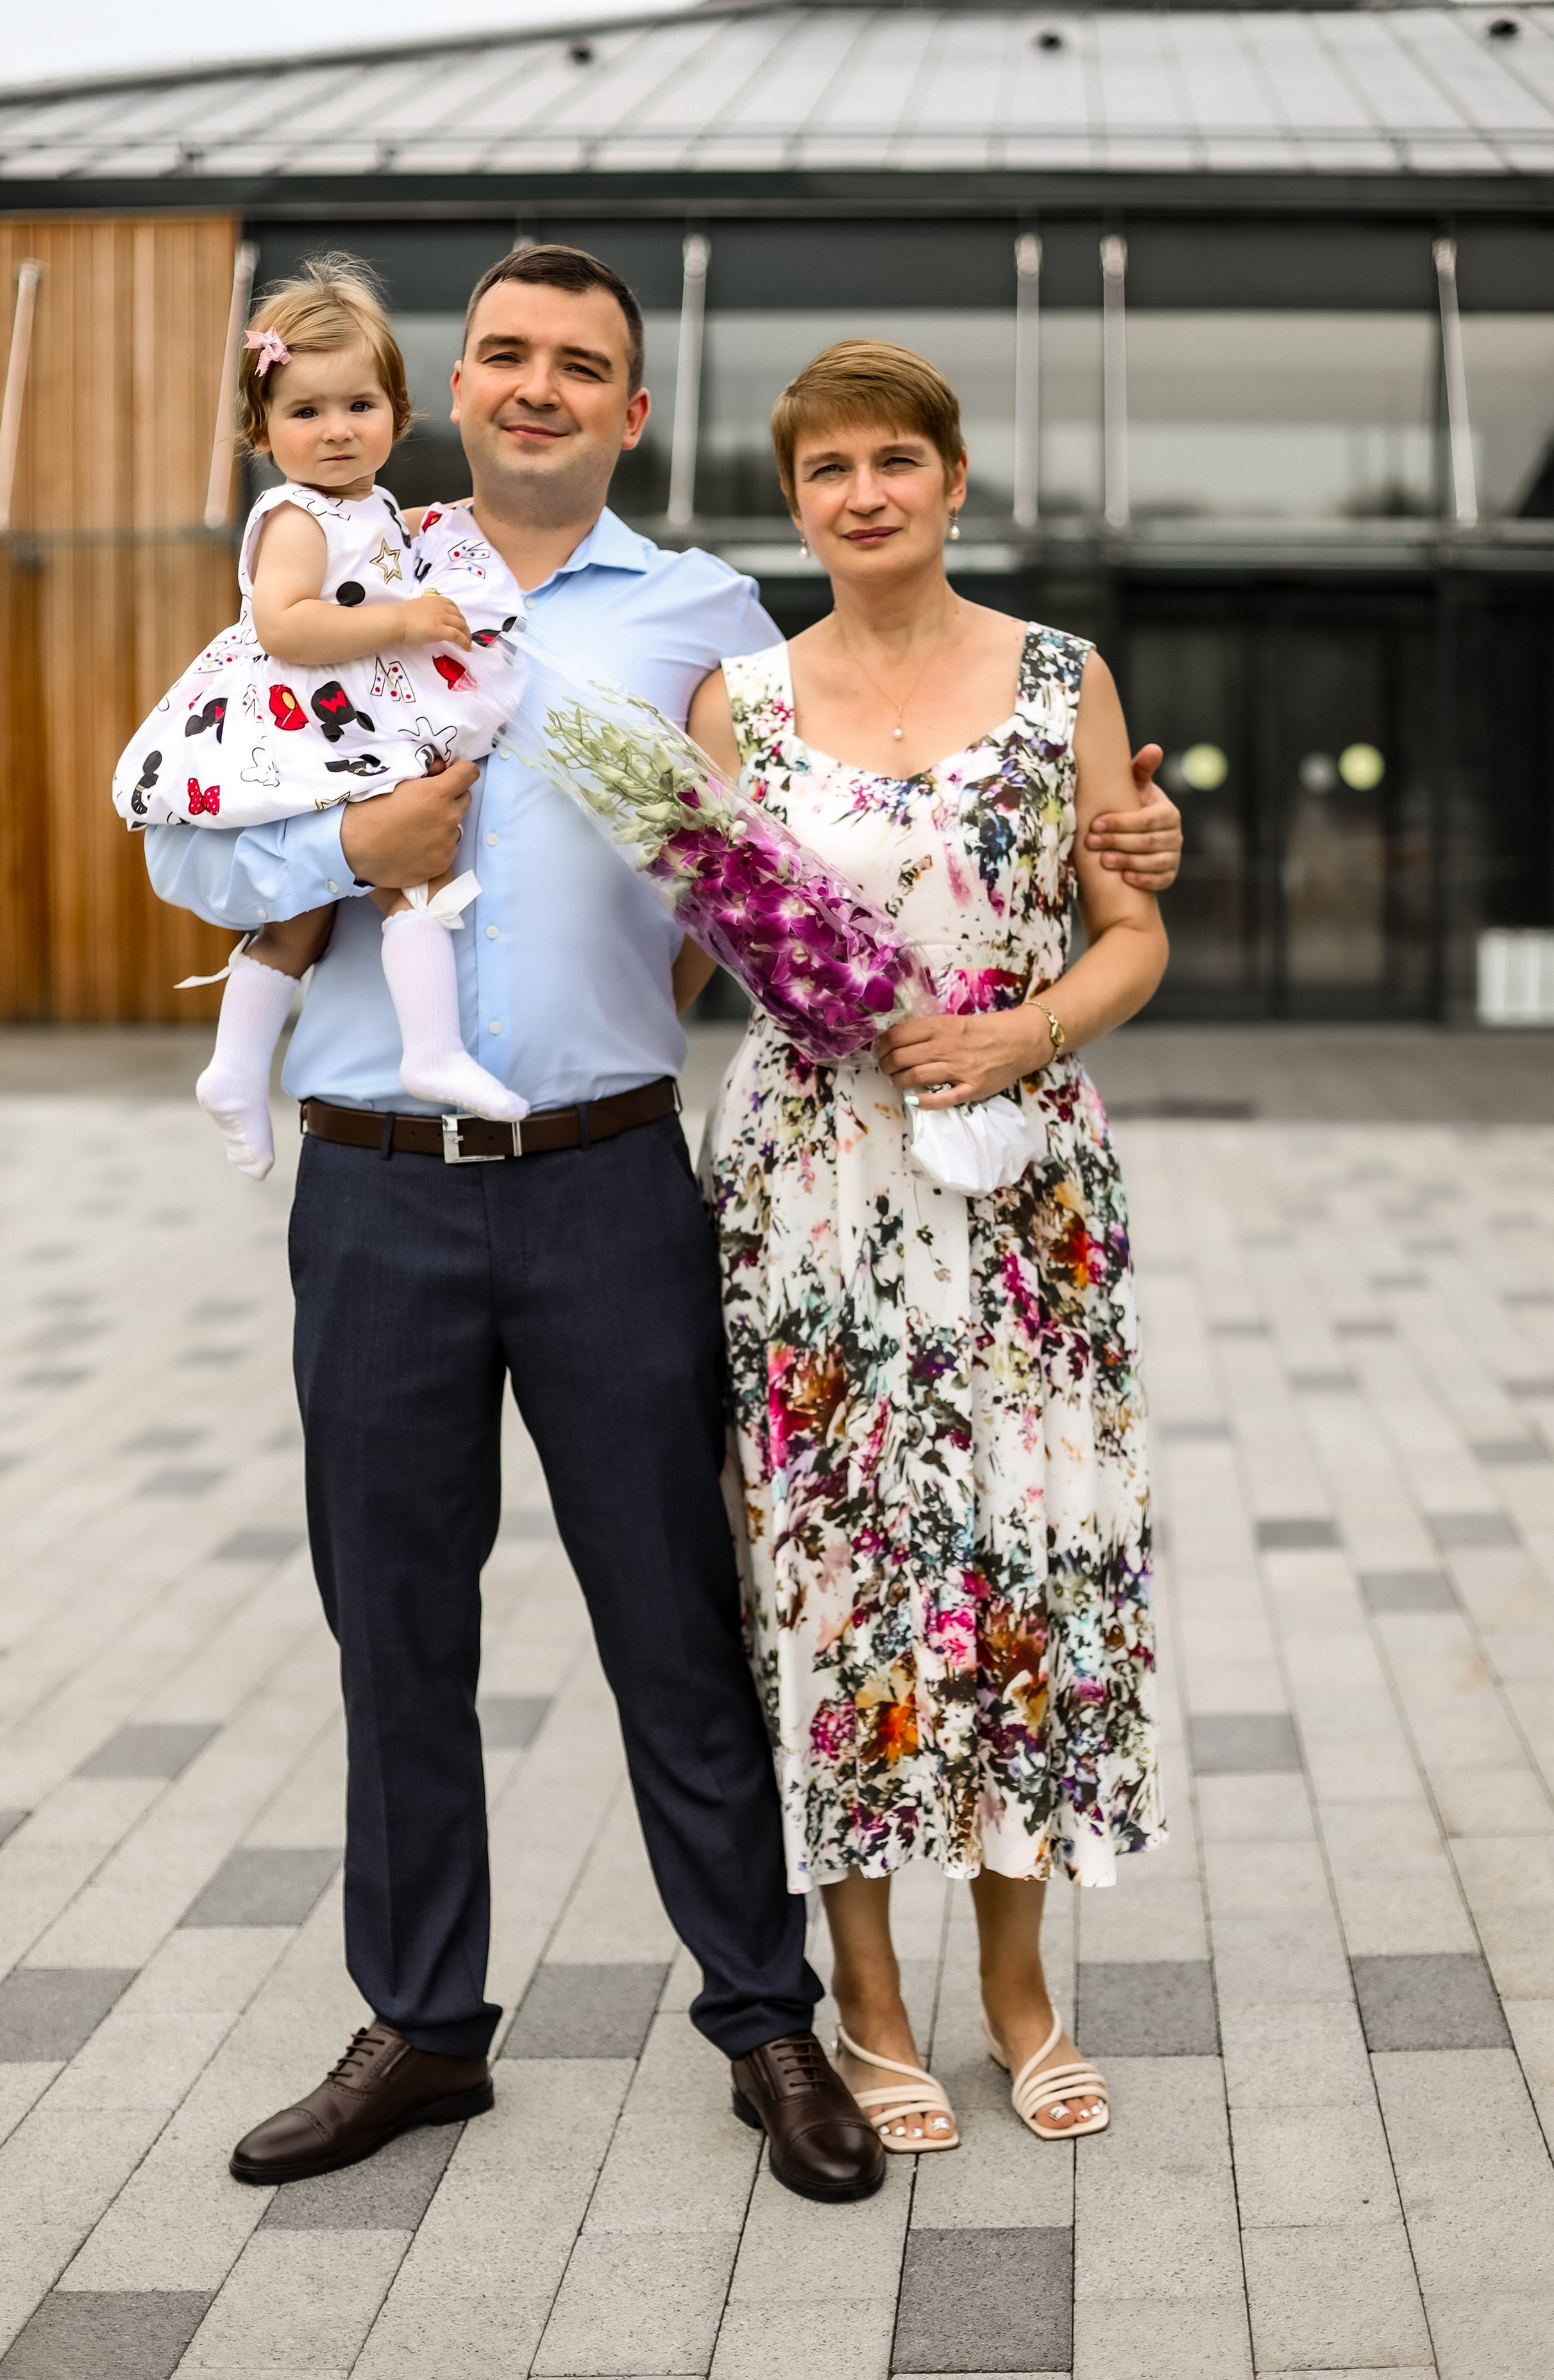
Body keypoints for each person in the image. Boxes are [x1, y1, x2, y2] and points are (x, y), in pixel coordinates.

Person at [143, 248, 1183, 2197]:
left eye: (586, 369)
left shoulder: (709, 622)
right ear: (457, 386)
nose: (542, 389)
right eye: (511, 358)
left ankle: (764, 2014)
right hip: (375, 1186)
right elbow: (189, 829)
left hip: (621, 1185)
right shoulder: (333, 576)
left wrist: (1126, 845)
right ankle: (421, 2029)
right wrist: (345, 849)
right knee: (393, 1632)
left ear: (635, 413)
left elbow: (841, 840)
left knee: (684, 1626)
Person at [687, 339, 1167, 2155]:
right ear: (796, 500)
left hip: (1027, 1190)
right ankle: (868, 1998)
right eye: (830, 469)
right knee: (842, 1582)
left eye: (900, 459)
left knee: (1027, 1572)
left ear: (955, 484)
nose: (867, 492)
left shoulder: (1063, 680)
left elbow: (1129, 932)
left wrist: (1023, 1031)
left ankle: (1022, 1991)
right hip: (812, 1199)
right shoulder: (737, 701)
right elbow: (715, 938)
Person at [116, 255, 531, 1182]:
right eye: (306, 413)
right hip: (302, 721)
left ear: (399, 413)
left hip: (344, 714)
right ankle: (421, 1050)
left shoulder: (374, 506)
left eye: (359, 407)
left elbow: (378, 552)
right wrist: (407, 618)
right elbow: (289, 624)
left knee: (322, 912)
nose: (336, 432)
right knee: (394, 875)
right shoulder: (295, 516)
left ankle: (237, 1068)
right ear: (263, 429)